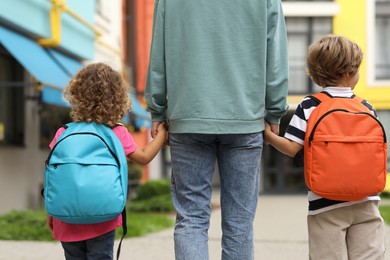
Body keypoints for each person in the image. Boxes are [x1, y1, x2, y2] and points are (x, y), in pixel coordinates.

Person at [145, 1, 288, 259]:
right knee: (239, 224)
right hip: (245, 118)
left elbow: (158, 53)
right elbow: (275, 56)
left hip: (188, 116)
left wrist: (157, 108)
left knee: (191, 218)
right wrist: (274, 110)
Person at [264, 35, 386, 259]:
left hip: (325, 204)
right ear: (348, 72)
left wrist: (269, 136)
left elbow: (292, 148)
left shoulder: (310, 105)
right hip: (366, 200)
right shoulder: (366, 107)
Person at [47, 62, 167, 259]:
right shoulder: (115, 132)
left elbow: (56, 176)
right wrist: (162, 134)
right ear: (117, 97)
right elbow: (144, 157)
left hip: (66, 217)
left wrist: (51, 211)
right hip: (103, 216)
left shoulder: (63, 132)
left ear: (77, 94)